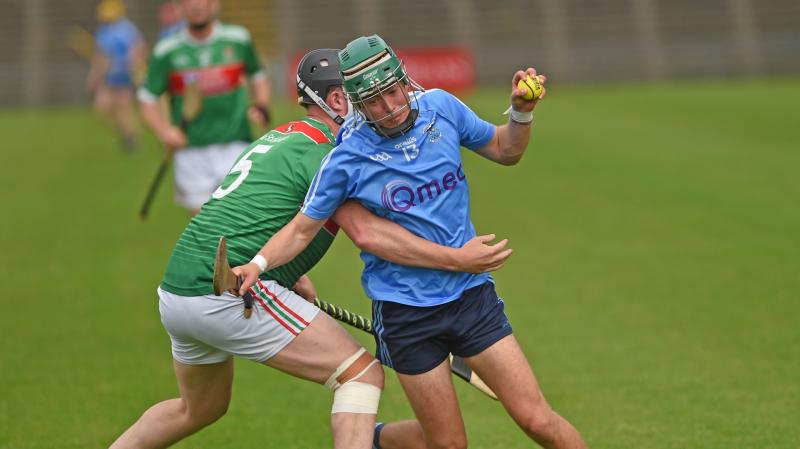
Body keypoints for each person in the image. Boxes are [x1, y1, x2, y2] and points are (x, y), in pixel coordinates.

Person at [109, 48, 512, 449]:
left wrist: (291, 272)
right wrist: (456, 260)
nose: (374, 106)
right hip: (230, 288)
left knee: (198, 409)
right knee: (362, 374)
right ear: (337, 100)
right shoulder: (331, 156)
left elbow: (253, 212)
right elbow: (369, 234)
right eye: (361, 96)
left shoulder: (284, 137)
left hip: (179, 291)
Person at [233, 35, 588, 449]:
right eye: (374, 102)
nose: (389, 107)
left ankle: (375, 439)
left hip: (471, 299)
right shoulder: (346, 157)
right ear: (357, 104)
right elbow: (300, 229)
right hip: (407, 314)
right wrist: (256, 266)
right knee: (449, 444)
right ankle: (378, 441)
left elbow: (503, 149)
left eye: (393, 91)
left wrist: (521, 115)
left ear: (404, 79)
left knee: (537, 419)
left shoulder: (441, 107)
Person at [137, 0, 273, 214]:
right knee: (205, 227)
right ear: (179, 7)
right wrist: (165, 133)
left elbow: (258, 76)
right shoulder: (167, 50)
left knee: (238, 219)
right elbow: (147, 98)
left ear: (215, 4)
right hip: (191, 151)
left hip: (235, 144)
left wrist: (262, 105)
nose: (196, 5)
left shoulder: (238, 39)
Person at [87, 0, 146, 152]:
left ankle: (132, 138)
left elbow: (139, 48)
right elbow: (100, 56)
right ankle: (126, 132)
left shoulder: (127, 28)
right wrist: (94, 75)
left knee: (125, 107)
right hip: (108, 77)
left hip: (124, 75)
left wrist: (135, 64)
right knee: (102, 109)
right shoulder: (102, 31)